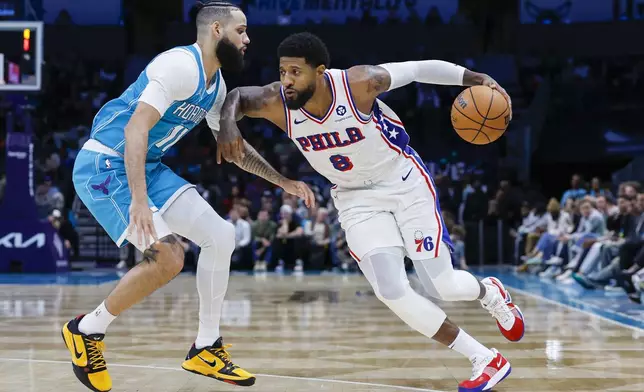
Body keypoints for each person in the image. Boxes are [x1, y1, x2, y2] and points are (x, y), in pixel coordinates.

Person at [216, 32, 524, 391]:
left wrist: (477, 79)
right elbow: (236, 97)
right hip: (354, 198)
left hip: (402, 180)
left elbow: (419, 69)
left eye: (296, 72)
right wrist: (226, 123)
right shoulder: (277, 101)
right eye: (283, 71)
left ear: (320, 71)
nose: (286, 81)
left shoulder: (359, 83)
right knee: (391, 290)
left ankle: (490, 293)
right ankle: (485, 358)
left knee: (442, 285)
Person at [64, 3, 314, 392]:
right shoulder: (179, 66)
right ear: (217, 30)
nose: (247, 40)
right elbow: (135, 129)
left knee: (222, 235)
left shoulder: (217, 88)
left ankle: (205, 347)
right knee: (169, 257)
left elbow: (235, 147)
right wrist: (139, 200)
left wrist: (282, 181)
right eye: (241, 31)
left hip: (149, 165)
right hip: (106, 165)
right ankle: (86, 330)